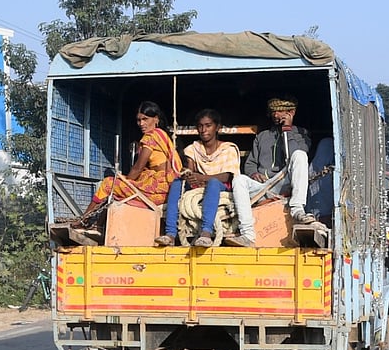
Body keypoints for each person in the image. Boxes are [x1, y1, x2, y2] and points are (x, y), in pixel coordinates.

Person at [228, 97, 315, 247]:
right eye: (274, 112)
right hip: (263, 187)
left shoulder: (301, 133)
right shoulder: (262, 136)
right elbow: (250, 164)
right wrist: (254, 174)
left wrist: (287, 130)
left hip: (284, 182)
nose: (276, 115)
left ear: (291, 112)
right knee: (239, 180)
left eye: (281, 111)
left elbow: (293, 156)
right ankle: (247, 234)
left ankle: (297, 210)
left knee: (300, 155)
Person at [79, 101, 181, 223]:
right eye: (139, 120)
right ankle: (99, 224)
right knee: (119, 186)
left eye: (145, 119)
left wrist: (126, 181)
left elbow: (138, 167)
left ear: (156, 119)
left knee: (108, 184)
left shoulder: (150, 137)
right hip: (167, 189)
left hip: (157, 189)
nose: (141, 123)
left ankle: (83, 220)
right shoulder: (162, 135)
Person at [155, 109, 242, 247]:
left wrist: (202, 177)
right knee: (177, 183)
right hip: (199, 185)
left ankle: (206, 233)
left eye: (208, 125)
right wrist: (189, 175)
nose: (203, 130)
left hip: (221, 186)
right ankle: (170, 233)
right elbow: (190, 169)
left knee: (213, 182)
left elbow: (227, 176)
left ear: (217, 127)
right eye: (200, 126)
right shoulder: (193, 148)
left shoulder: (228, 149)